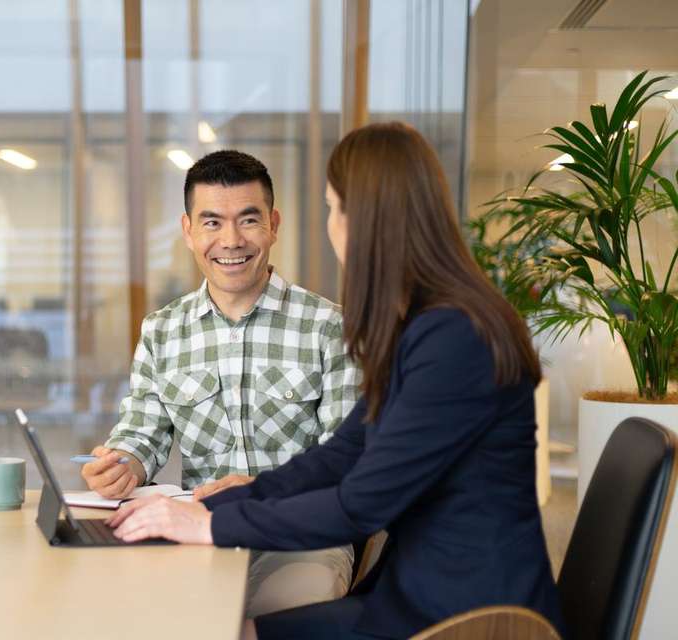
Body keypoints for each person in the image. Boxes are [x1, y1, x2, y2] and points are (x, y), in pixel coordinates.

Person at [104, 123, 566, 639]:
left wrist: (207, 525)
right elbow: (341, 456)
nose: (330, 224)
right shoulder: (428, 324)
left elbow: (361, 501)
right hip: (420, 591)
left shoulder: (455, 336)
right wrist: (205, 506)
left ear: (367, 219)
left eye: (333, 207)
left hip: (472, 617)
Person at [81, 150, 361, 617]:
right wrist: (123, 463)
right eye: (212, 222)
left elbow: (346, 460)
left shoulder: (330, 326)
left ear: (273, 224)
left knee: (282, 614)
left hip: (300, 538)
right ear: (188, 230)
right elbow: (141, 433)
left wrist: (262, 488)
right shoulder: (162, 331)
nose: (231, 240)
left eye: (248, 220)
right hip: (197, 534)